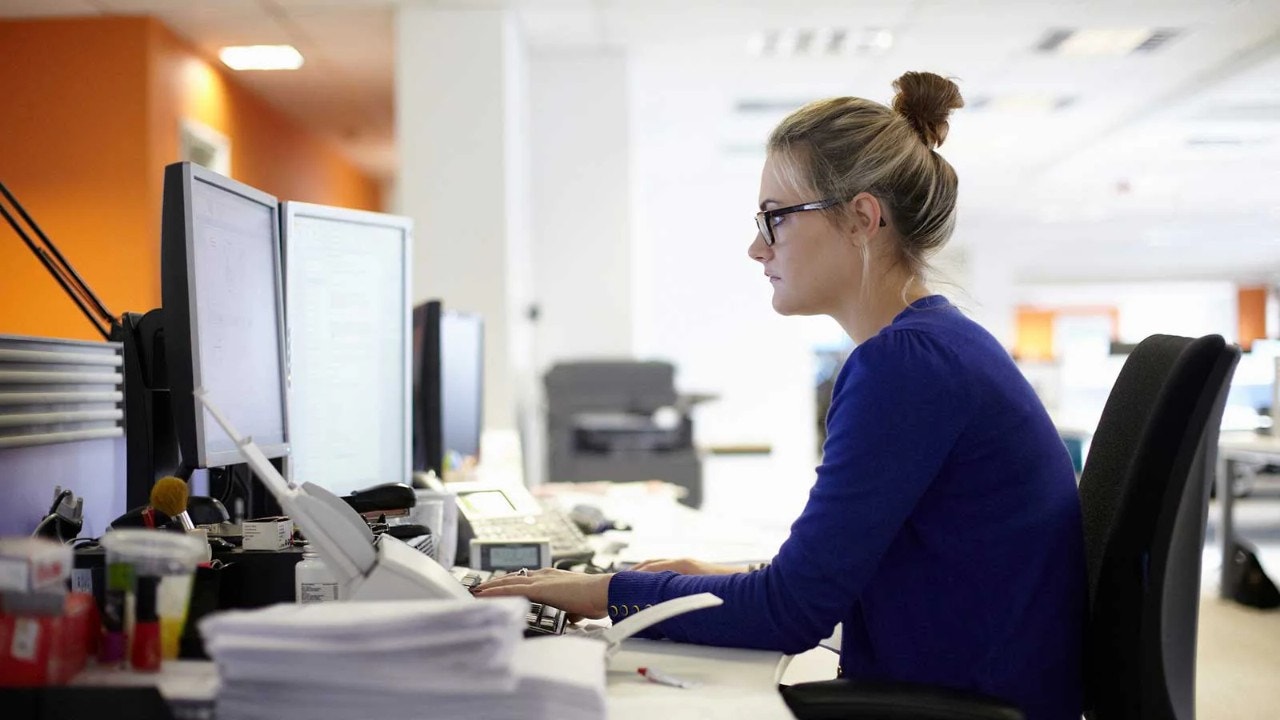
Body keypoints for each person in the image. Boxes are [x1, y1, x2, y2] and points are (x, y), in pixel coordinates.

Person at [476, 71, 1086, 720]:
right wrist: (709, 579)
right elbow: (827, 578)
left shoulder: (905, 367)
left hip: (962, 704)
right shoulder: (938, 347)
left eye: (775, 218)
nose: (756, 247)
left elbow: (790, 614)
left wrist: (602, 591)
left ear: (861, 219)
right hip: (971, 687)